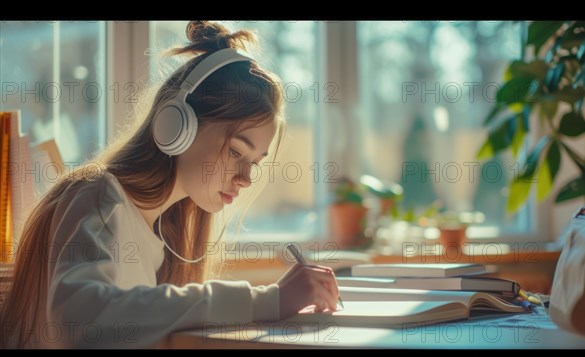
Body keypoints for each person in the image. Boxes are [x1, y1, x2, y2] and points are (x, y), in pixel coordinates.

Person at [0, 21, 341, 348]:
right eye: (236, 150)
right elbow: (81, 322)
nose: (246, 178)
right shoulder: (97, 195)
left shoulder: (158, 235)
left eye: (254, 162)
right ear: (177, 126)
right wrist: (265, 301)